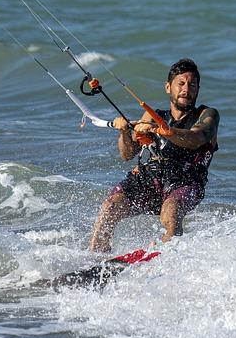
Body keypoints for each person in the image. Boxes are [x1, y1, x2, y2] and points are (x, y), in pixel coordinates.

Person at [89, 58, 219, 252]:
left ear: (197, 90)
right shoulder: (152, 115)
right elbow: (127, 154)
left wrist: (160, 130)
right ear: (168, 87)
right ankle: (96, 257)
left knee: (171, 211)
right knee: (110, 207)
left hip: (185, 181)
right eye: (180, 84)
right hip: (150, 178)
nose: (186, 89)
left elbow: (197, 137)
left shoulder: (207, 115)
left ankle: (166, 256)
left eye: (192, 85)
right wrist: (125, 132)